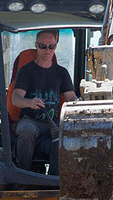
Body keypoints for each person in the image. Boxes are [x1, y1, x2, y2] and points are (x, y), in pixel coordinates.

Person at [10, 30, 78, 173]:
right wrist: (29, 102)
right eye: (43, 46)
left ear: (55, 47)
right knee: (28, 131)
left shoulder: (62, 73)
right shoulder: (26, 71)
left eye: (51, 46)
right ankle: (23, 176)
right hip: (29, 121)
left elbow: (71, 98)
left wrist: (79, 105)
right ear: (36, 46)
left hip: (53, 122)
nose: (47, 50)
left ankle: (55, 180)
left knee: (66, 134)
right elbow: (16, 99)